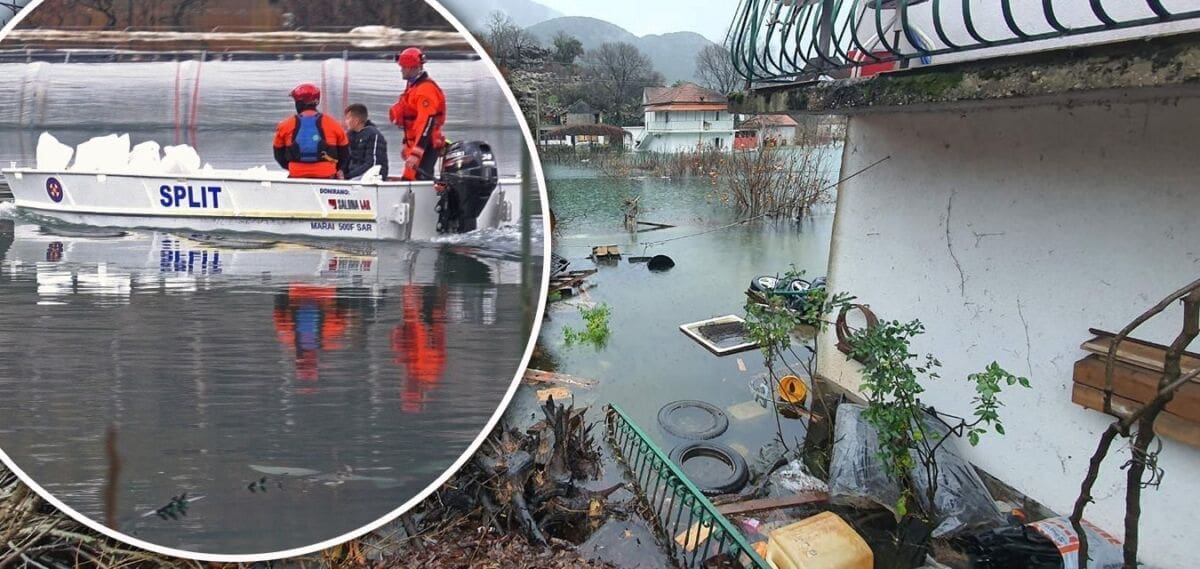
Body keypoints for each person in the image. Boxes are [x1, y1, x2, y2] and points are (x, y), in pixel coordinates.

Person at [388, 47, 447, 181]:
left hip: (426, 143)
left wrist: (417, 152)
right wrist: (406, 143)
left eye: (403, 67)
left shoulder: (425, 90)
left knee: (416, 180)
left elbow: (426, 122)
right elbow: (410, 120)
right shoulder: (413, 86)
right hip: (415, 142)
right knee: (409, 179)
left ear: (411, 67)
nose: (401, 70)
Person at [273, 83, 350, 179]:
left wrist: (294, 168)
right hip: (327, 175)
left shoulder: (284, 125)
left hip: (296, 175)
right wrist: (334, 168)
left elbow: (279, 156)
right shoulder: (334, 124)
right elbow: (344, 155)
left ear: (299, 103)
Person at [342, 103, 389, 180]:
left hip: (371, 177)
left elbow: (373, 164)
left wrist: (349, 176)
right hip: (353, 175)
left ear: (356, 120)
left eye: (347, 118)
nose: (346, 122)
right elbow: (345, 158)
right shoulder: (349, 135)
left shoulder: (373, 135)